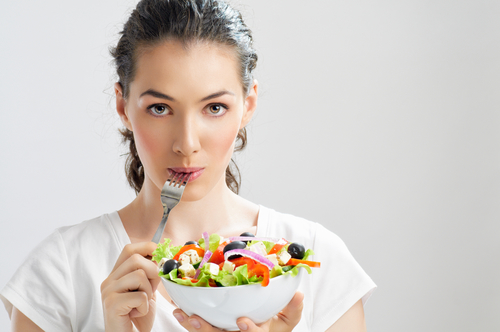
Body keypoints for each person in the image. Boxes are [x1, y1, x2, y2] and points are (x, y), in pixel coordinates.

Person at [0, 0, 376, 331]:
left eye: (214, 108)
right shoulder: (61, 270)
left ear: (248, 105)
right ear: (122, 106)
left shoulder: (316, 261)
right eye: (160, 109)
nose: (187, 144)